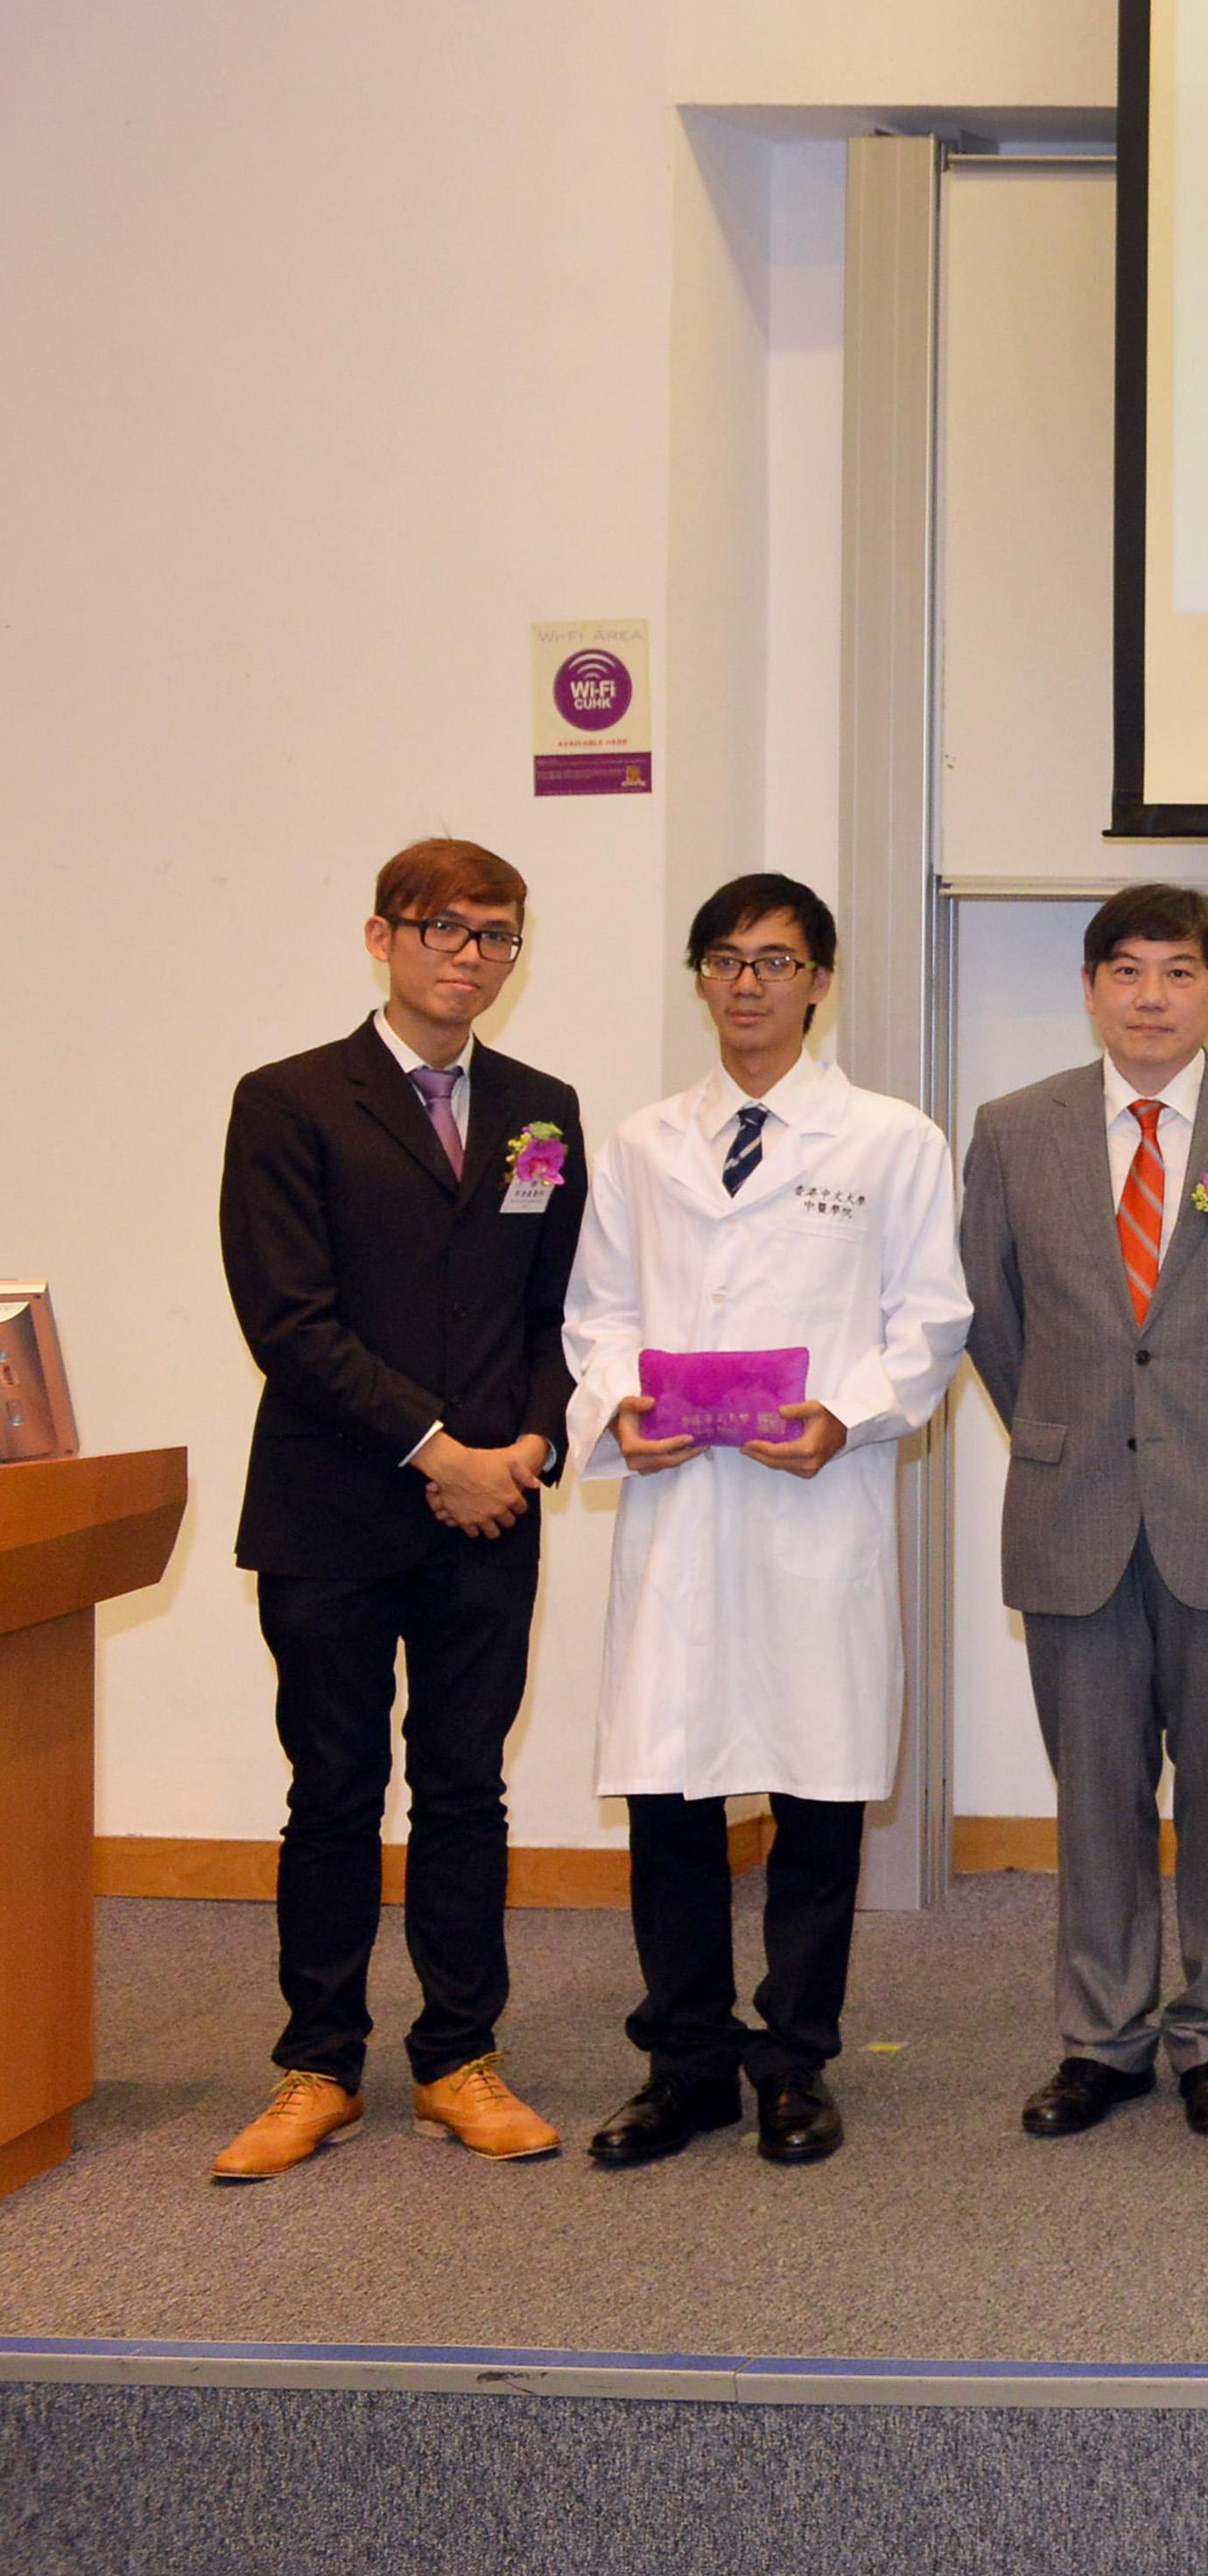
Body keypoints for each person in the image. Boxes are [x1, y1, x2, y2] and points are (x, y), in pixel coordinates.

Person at [564, 876, 969, 2171]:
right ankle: (682, 2064)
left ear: (819, 981)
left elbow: (933, 1320)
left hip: (815, 1498)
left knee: (816, 1792)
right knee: (672, 1796)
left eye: (776, 962)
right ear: (700, 980)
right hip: (682, 1502)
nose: (749, 985)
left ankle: (795, 2062)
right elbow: (599, 1307)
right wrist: (622, 1402)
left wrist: (848, 1416)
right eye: (726, 962)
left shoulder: (891, 1141)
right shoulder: (641, 1143)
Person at [204, 840, 586, 2181]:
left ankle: (457, 2060)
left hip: (495, 1507)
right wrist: (440, 1450)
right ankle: (316, 2069)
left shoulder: (544, 1107)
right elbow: (288, 1322)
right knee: (333, 1790)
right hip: (332, 1509)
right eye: (445, 929)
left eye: (499, 935)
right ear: (381, 936)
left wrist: (527, 1444)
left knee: (467, 1790)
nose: (471, 956)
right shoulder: (292, 1100)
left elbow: (560, 1314)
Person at [959, 886, 1208, 2143]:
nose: (1151, 999)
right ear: (1089, 988)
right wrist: (1070, 1430)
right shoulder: (1016, 1131)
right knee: (1096, 1798)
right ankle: (1102, 2038)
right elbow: (996, 1320)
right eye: (1125, 973)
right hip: (1073, 1507)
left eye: (1179, 974)